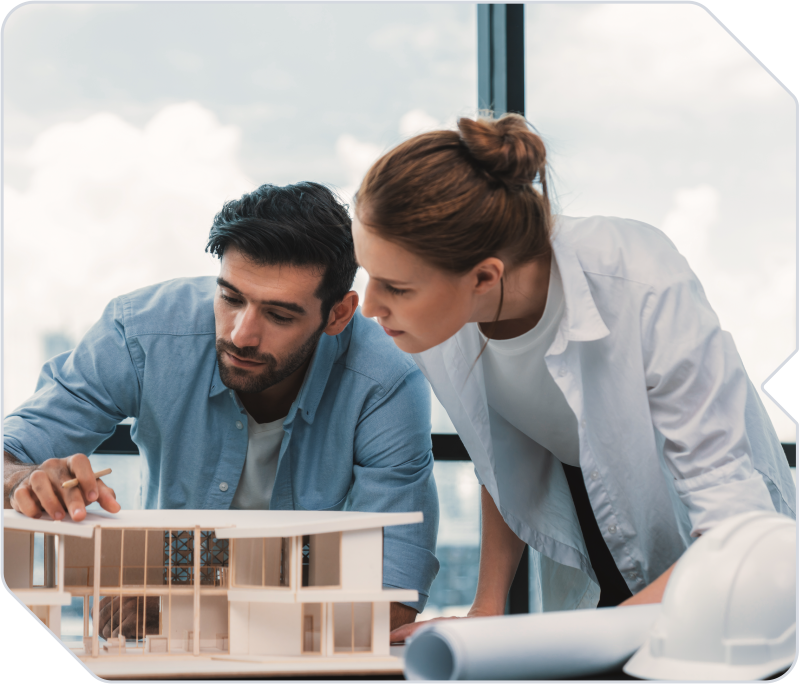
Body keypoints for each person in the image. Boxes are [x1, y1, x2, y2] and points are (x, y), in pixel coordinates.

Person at [349, 113, 796, 641]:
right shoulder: (435, 315)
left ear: (484, 277)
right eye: (369, 274)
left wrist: (581, 638)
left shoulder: (641, 281)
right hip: (587, 523)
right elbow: (502, 460)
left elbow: (735, 535)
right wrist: (486, 610)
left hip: (710, 540)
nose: (370, 306)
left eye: (396, 288)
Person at [4, 181, 439, 633]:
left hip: (301, 667)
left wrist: (170, 607)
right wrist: (24, 481)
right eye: (231, 298)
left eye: (279, 315)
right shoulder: (141, 334)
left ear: (339, 314)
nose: (241, 335)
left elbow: (391, 598)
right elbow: (8, 454)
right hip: (182, 650)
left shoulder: (386, 381)